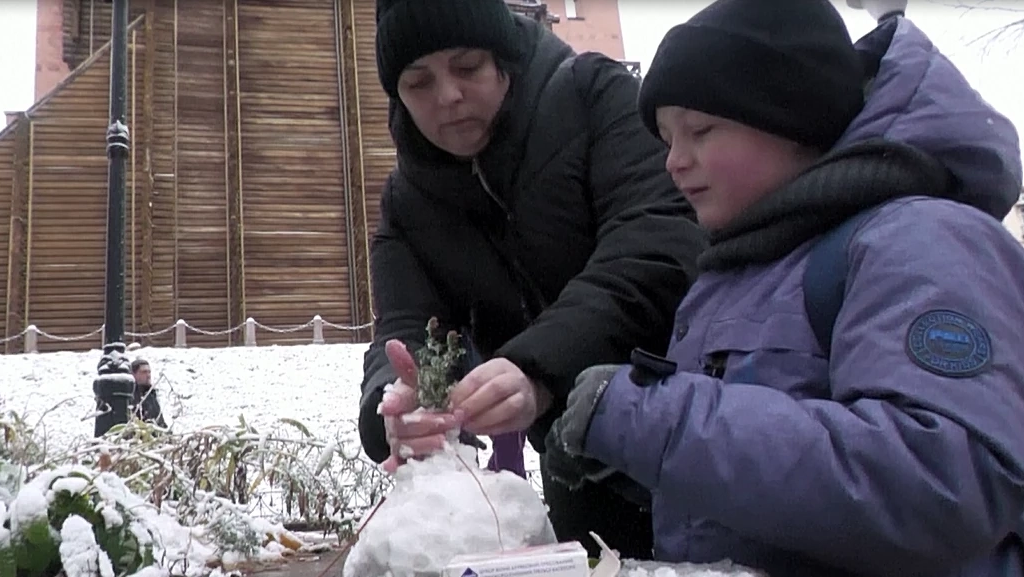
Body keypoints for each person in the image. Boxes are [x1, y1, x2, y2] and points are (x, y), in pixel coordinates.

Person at [545, 0, 1024, 574]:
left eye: (699, 130)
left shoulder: (920, 241)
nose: (674, 161)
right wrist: (634, 468)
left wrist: (657, 423)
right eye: (666, 138)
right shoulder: (744, 268)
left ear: (793, 122)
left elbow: (948, 481)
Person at [357, 0, 708, 559]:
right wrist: (398, 407)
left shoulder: (594, 95)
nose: (447, 96)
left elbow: (657, 244)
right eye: (417, 82)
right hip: (575, 466)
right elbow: (403, 329)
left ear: (504, 58)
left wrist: (537, 367)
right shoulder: (406, 202)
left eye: (468, 67)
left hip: (690, 435)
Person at [130, 358, 167, 428]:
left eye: (149, 372)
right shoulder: (131, 396)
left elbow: (160, 421)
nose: (148, 375)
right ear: (133, 374)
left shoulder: (151, 395)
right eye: (144, 372)